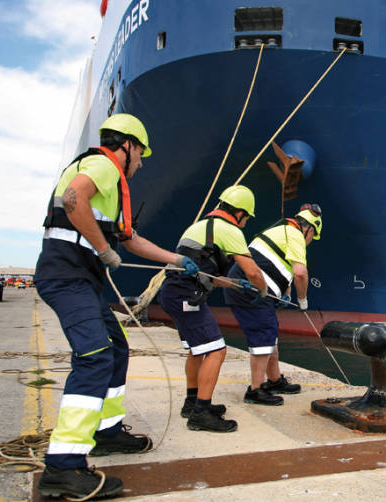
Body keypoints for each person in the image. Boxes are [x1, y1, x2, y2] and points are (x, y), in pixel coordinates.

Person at [34, 113, 200, 499]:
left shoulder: (111, 180)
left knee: (116, 348)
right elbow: (73, 198)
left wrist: (175, 260)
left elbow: (131, 239)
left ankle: (106, 432)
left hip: (82, 279)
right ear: (127, 145)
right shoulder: (103, 166)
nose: (141, 163)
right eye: (141, 154)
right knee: (94, 356)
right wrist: (104, 250)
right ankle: (63, 466)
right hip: (68, 276)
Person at [157, 185, 268, 432]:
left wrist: (236, 284)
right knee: (216, 350)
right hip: (187, 297)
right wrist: (262, 292)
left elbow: (203, 272)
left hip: (173, 294)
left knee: (197, 351)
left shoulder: (200, 226)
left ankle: (192, 402)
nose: (246, 222)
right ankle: (201, 412)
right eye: (247, 217)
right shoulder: (230, 230)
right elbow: (253, 271)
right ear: (239, 213)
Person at [223, 204, 322, 405]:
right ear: (309, 229)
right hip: (250, 290)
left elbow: (276, 264)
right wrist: (302, 301)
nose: (310, 242)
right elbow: (300, 273)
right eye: (312, 237)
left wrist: (285, 292)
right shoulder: (295, 235)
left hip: (254, 290)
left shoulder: (279, 230)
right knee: (264, 335)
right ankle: (255, 390)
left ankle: (274, 381)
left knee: (271, 334)